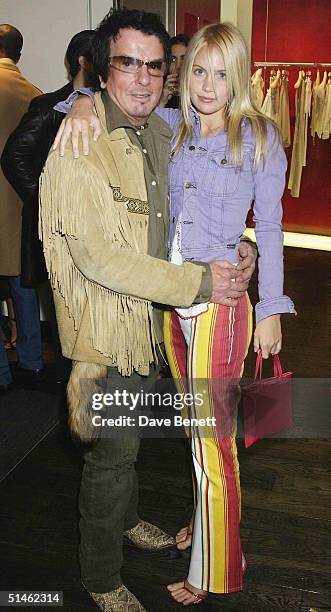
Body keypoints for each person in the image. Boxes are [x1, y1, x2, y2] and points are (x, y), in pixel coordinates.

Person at [54, 17, 296, 608]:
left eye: (221, 74)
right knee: (198, 437)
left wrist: (271, 307)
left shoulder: (260, 137)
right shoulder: (171, 126)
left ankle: (215, 567)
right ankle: (204, 532)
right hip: (172, 306)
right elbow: (94, 96)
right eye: (198, 72)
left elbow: (269, 223)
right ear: (185, 77)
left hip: (223, 306)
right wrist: (83, 102)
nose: (208, 85)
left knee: (215, 444)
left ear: (238, 78)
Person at [1, 29, 96, 381]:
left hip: (77, 229)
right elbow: (14, 157)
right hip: (46, 227)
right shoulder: (44, 102)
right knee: (49, 304)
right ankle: (50, 374)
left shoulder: (97, 104)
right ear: (85, 61)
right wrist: (51, 201)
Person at [0, 24, 42, 393]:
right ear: (19, 53)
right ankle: (31, 364)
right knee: (24, 288)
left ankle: (0, 373)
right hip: (18, 208)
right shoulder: (33, 95)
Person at [161, 33, 190, 108]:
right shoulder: (158, 89)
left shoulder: (201, 92)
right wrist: (162, 101)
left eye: (183, 58)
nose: (178, 66)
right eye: (173, 59)